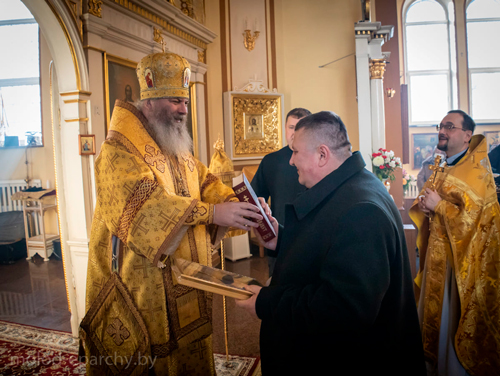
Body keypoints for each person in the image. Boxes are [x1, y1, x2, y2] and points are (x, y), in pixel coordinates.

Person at [81, 52, 262, 375]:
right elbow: (142, 208)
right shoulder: (117, 151)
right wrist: (212, 213)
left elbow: (204, 181)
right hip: (140, 284)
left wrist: (244, 206)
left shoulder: (174, 147)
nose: (183, 109)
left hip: (188, 278)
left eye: (185, 101)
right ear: (148, 101)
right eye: (174, 100)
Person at [238, 111, 426, 375]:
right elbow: (326, 243)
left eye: (295, 152)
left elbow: (343, 308)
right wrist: (282, 240)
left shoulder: (362, 210)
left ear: (322, 154)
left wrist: (266, 302)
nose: (291, 161)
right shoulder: (351, 185)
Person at [410, 110, 500, 375]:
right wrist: (426, 207)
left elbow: (478, 221)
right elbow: (429, 201)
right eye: (442, 126)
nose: (443, 131)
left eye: (450, 126)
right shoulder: (442, 165)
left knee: (452, 322)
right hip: (435, 259)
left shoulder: (475, 172)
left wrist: (439, 207)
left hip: (459, 265)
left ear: (467, 135)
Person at [250, 108, 311, 276]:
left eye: (300, 127)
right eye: (291, 127)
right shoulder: (271, 161)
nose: (294, 133)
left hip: (312, 241)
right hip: (279, 240)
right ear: (284, 128)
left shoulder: (317, 159)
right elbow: (255, 198)